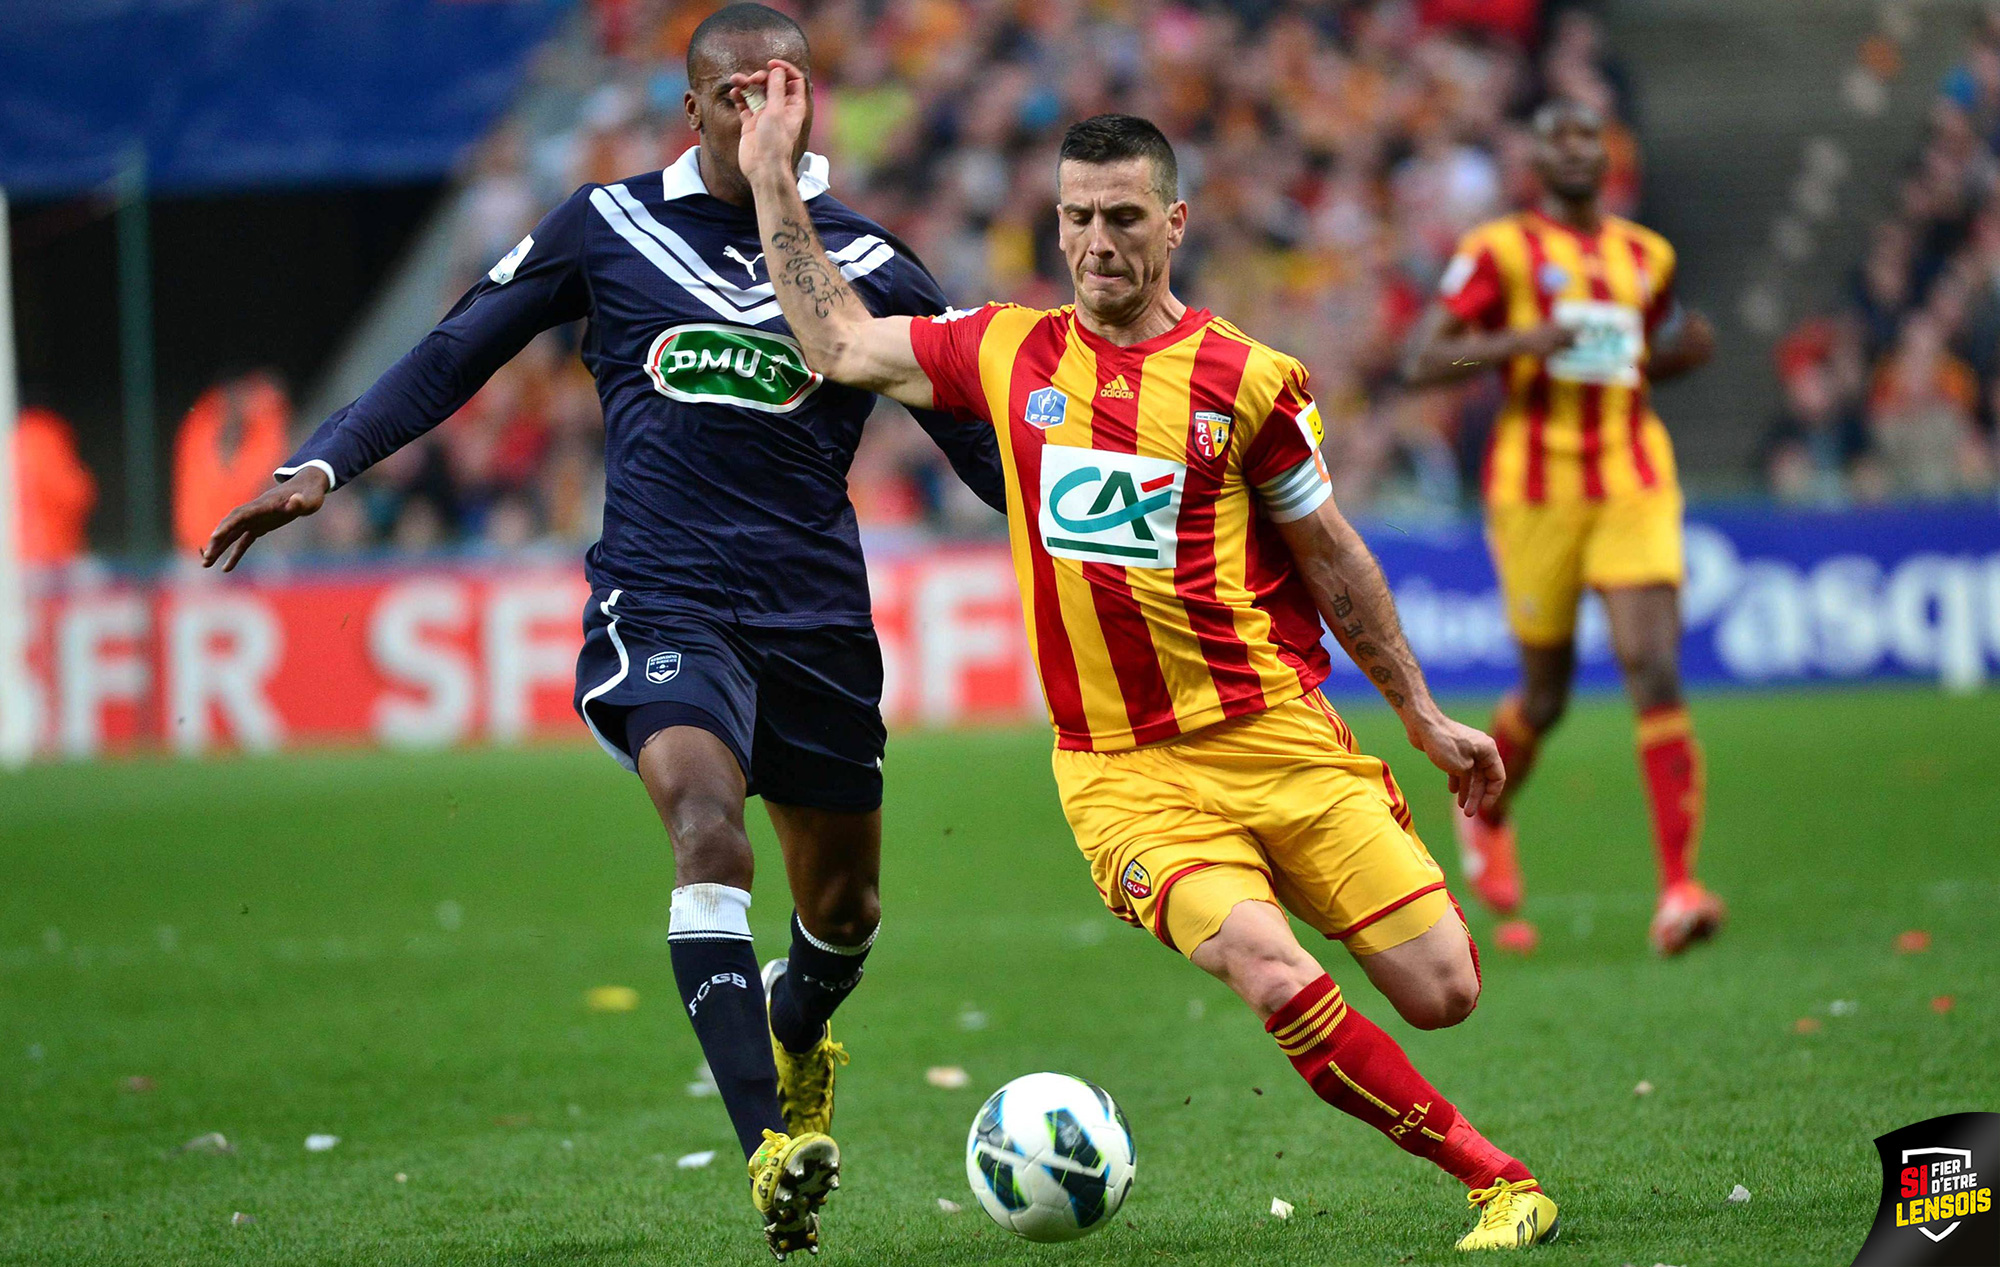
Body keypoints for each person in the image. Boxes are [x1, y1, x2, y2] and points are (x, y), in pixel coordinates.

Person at [197, 6, 1005, 1258]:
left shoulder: (874, 267)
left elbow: (984, 459)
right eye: (740, 91)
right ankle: (766, 1149)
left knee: (842, 910)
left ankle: (800, 1031)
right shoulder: (608, 227)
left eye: (787, 87)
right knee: (703, 825)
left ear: (815, 104)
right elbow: (458, 343)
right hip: (665, 595)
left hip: (816, 621)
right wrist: (324, 462)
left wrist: (1108, 532)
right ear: (696, 110)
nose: (765, 112)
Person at [734, 63, 1561, 1252]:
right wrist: (771, 181)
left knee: (1443, 990)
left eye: (1121, 217)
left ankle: (1319, 880)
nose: (1094, 241)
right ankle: (1495, 1178)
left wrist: (1424, 718)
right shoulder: (1003, 352)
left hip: (1276, 735)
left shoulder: (1248, 383)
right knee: (1271, 972)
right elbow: (837, 340)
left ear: (1173, 223)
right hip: (1122, 776)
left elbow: (1332, 560)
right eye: (1074, 216)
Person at [1402, 100, 1723, 955]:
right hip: (1535, 488)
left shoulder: (1646, 255)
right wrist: (1523, 342)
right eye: (1560, 140)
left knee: (1653, 665)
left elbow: (1650, 350)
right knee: (1545, 693)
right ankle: (1487, 809)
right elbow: (1425, 358)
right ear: (1537, 161)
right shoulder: (1498, 252)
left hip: (1632, 476)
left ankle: (1679, 888)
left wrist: (1688, 351)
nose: (1577, 151)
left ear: (1607, 155)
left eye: (1590, 137)